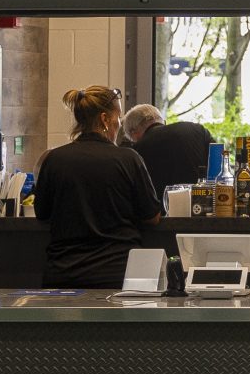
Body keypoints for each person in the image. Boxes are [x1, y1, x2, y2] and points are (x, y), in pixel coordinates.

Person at [35, 85, 160, 289]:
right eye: (118, 116)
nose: (119, 123)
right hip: (118, 274)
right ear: (104, 119)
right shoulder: (129, 159)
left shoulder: (54, 159)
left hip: (64, 274)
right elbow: (151, 216)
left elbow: (41, 213)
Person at [121, 103, 217, 193]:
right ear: (163, 121)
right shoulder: (198, 130)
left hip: (163, 209)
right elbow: (218, 164)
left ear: (133, 132)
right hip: (203, 204)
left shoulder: (137, 150)